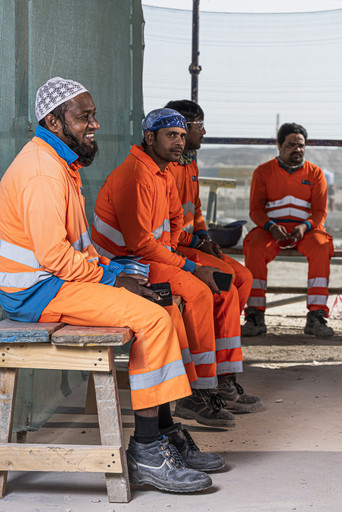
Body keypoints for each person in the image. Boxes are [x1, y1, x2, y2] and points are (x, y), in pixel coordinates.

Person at [0, 78, 222, 493]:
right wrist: (115, 277)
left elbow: (78, 249)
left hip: (58, 280)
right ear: (53, 120)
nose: (94, 124)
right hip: (36, 291)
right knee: (153, 319)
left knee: (166, 303)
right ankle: (147, 451)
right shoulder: (42, 173)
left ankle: (166, 430)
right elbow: (54, 259)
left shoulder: (60, 164)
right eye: (83, 116)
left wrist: (118, 270)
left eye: (93, 115)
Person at [92, 108, 242, 428]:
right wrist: (188, 265)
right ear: (150, 137)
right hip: (122, 267)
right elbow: (140, 244)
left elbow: (173, 223)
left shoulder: (163, 172)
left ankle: (212, 381)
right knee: (199, 293)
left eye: (182, 136)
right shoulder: (134, 175)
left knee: (221, 285)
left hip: (150, 258)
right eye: (171, 135)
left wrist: (183, 250)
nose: (179, 142)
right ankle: (195, 393)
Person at [164, 99, 261, 413]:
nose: (203, 131)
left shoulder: (189, 161)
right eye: (199, 125)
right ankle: (212, 379)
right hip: (174, 249)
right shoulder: (169, 165)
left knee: (243, 277)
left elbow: (196, 210)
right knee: (224, 287)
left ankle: (223, 372)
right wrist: (197, 241)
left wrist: (205, 237)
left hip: (192, 243)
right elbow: (166, 229)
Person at [242, 123, 335, 337]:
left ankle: (316, 316)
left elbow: (320, 212)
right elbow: (255, 210)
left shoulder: (316, 173)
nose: (298, 149)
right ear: (279, 146)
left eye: (301, 145)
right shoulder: (263, 172)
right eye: (291, 145)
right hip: (271, 229)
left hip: (307, 230)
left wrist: (304, 227)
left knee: (322, 247)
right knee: (254, 247)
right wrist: (271, 226)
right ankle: (255, 316)